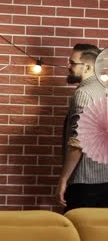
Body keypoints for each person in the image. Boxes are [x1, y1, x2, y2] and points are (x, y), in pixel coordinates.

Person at [57, 43, 108, 212]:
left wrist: (64, 178)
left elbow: (77, 141)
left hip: (86, 182)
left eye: (72, 62)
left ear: (87, 66)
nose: (68, 66)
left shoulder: (84, 93)